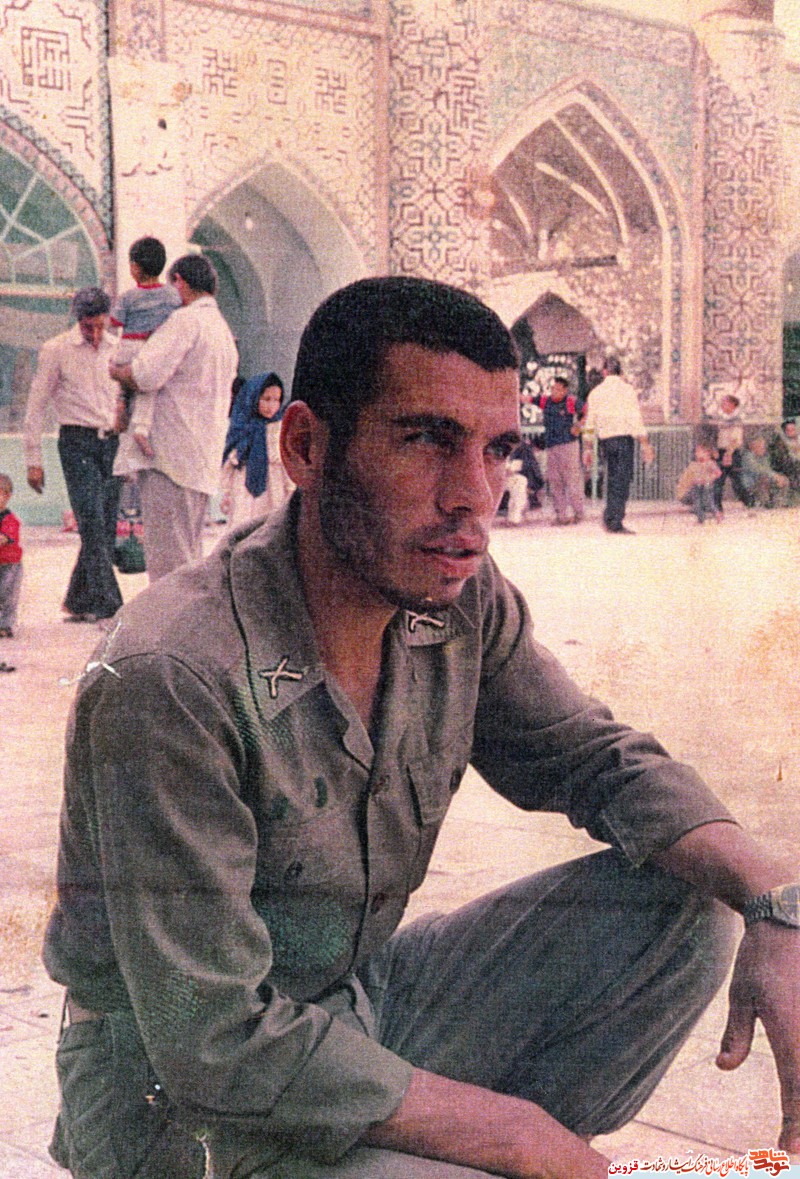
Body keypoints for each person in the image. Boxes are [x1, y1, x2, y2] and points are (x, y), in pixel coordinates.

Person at [43, 277, 800, 1179]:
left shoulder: (453, 599)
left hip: (350, 1005)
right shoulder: (173, 675)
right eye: (426, 440)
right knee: (494, 1156)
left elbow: (599, 761)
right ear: (306, 446)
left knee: (685, 901)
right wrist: (514, 1134)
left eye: (498, 450)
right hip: (173, 1101)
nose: (475, 495)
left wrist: (777, 901)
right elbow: (211, 1038)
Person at [109, 253, 238, 582]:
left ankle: (174, 619)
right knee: (187, 558)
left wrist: (116, 371)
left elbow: (145, 375)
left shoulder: (186, 322)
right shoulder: (221, 329)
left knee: (169, 565)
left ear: (179, 281)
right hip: (199, 458)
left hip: (171, 458)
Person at [24, 287, 123, 622]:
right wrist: (33, 460)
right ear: (77, 320)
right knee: (91, 522)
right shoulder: (57, 350)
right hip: (76, 442)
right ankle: (111, 605)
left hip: (112, 442)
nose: (93, 333)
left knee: (105, 525)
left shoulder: (117, 348)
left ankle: (79, 599)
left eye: (99, 325)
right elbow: (36, 405)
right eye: (87, 326)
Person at [109, 235, 182, 465]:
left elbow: (115, 322)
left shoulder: (128, 297)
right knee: (147, 389)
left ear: (135, 267)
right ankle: (141, 428)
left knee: (125, 381)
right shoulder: (172, 295)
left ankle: (121, 402)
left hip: (128, 346)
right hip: (151, 346)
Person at [581, 356, 653, 534]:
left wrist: (588, 448)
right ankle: (614, 521)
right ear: (621, 372)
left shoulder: (596, 393)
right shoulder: (627, 391)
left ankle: (610, 517)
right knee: (622, 481)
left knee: (612, 478)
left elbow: (590, 423)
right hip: (623, 440)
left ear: (604, 372)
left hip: (606, 442)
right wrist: (645, 445)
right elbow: (635, 419)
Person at [220, 371, 294, 529]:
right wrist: (225, 492)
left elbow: (286, 463)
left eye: (276, 400)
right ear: (253, 397)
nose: (271, 406)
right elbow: (230, 462)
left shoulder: (281, 429)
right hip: (243, 487)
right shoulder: (241, 427)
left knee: (268, 529)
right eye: (266, 399)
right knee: (241, 526)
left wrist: (290, 491)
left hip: (274, 489)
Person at [528, 377, 585, 525]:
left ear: (565, 390)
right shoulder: (545, 401)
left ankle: (579, 513)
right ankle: (561, 516)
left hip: (568, 445)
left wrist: (578, 425)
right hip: (551, 446)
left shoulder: (571, 401)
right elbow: (526, 399)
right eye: (553, 388)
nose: (554, 391)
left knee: (572, 481)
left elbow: (588, 410)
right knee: (555, 482)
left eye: (558, 389)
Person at [711, 393, 751, 513]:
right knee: (718, 480)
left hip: (732, 452)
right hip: (721, 451)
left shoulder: (737, 419)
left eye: (725, 403)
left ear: (733, 405)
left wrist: (728, 454)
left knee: (737, 481)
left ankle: (749, 502)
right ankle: (717, 506)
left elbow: (736, 440)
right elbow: (716, 436)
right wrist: (715, 450)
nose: (722, 405)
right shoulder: (721, 418)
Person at [675, 442, 722, 524]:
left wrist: (709, 479)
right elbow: (690, 479)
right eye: (696, 452)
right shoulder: (693, 465)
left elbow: (718, 473)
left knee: (707, 497)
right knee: (698, 495)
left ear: (707, 453)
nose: (697, 454)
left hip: (704, 488)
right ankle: (703, 517)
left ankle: (714, 514)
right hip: (693, 489)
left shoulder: (710, 463)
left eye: (700, 451)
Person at [740, 434, 790, 509]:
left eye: (763, 446)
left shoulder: (764, 457)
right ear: (752, 447)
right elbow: (759, 470)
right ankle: (764, 503)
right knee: (764, 478)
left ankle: (779, 503)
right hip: (750, 486)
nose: (763, 448)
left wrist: (778, 477)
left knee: (783, 479)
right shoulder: (748, 456)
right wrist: (775, 476)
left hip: (762, 482)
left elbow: (768, 469)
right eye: (760, 446)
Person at [0, 473, 22, 637]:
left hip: (10, 565)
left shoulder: (10, 519)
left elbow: (4, 538)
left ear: (7, 496)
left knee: (8, 595)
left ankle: (6, 625)